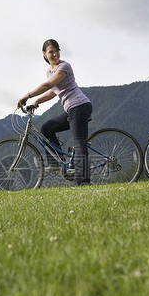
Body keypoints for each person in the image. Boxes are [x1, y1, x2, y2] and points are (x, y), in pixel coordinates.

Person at [17, 39, 93, 186]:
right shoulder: (50, 71)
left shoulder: (64, 66)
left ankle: (83, 182)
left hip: (80, 106)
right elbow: (53, 91)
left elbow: (49, 85)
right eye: (51, 52)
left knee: (79, 144)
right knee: (46, 128)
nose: (54, 54)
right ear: (45, 55)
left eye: (56, 50)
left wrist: (27, 96)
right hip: (71, 109)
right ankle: (57, 162)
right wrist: (36, 102)